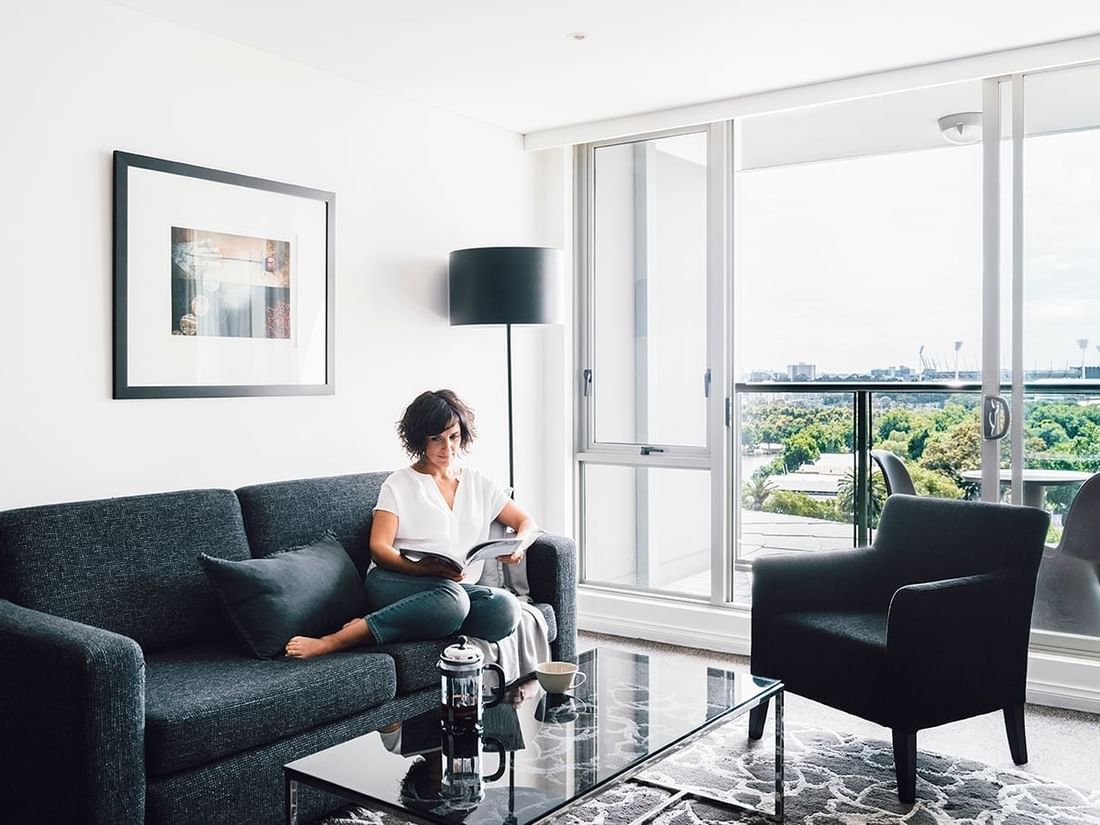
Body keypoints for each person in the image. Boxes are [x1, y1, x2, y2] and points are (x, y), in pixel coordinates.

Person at [286, 389, 535, 658]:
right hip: (395, 580)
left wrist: (519, 546)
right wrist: (420, 569)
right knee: (452, 604)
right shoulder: (399, 484)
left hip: (453, 589)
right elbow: (379, 548)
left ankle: (406, 623)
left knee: (506, 610)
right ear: (420, 439)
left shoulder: (478, 482)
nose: (447, 448)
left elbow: (526, 522)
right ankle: (339, 639)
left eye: (454, 437)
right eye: (436, 438)